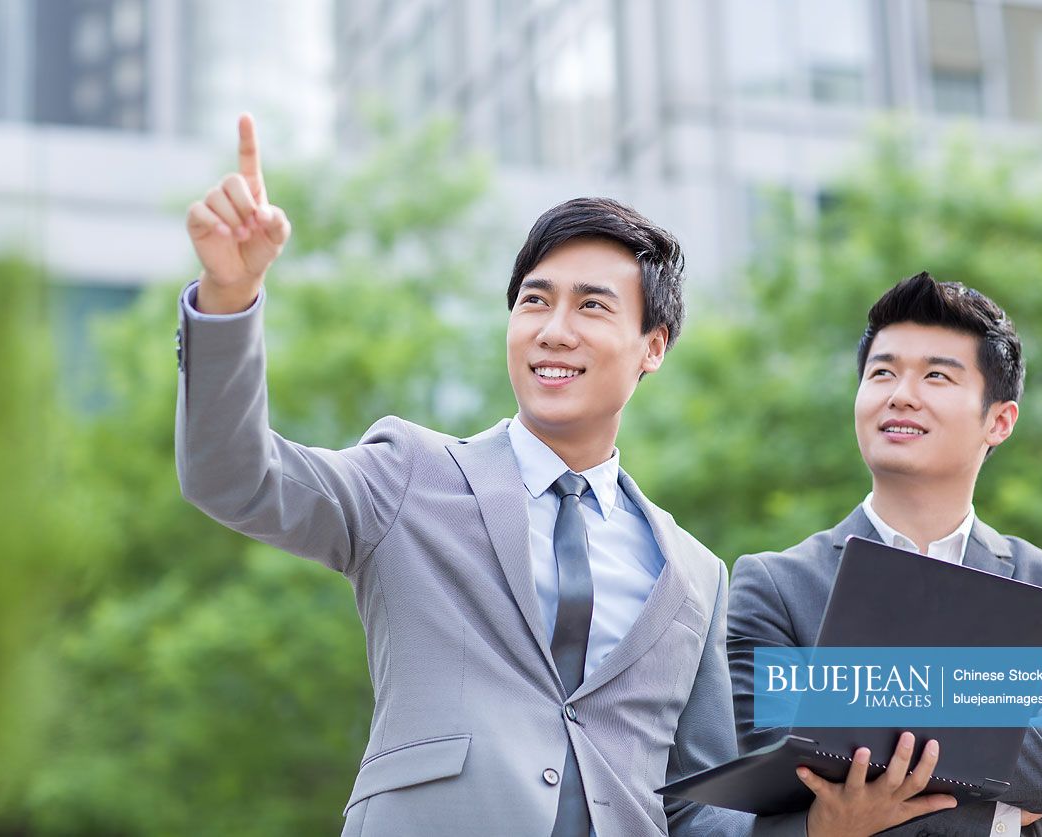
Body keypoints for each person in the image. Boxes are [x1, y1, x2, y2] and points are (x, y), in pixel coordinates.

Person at [176, 115, 956, 836]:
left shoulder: (692, 573)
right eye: (533, 301)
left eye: (590, 306)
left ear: (651, 346)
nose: (552, 329)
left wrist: (825, 823)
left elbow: (691, 805)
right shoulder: (409, 473)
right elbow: (234, 475)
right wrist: (230, 298)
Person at [727, 272, 1042, 837]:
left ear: (999, 420)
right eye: (882, 372)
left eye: (936, 376)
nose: (901, 393)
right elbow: (771, 785)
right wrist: (1000, 805)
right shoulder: (775, 587)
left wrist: (866, 761)